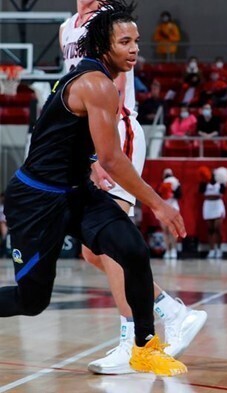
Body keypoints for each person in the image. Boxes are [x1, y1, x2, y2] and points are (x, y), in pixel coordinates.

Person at [1, 0, 186, 376]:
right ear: (103, 46)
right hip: (36, 199)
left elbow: (67, 137)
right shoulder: (98, 84)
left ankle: (144, 348)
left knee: (132, 249)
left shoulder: (91, 78)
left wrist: (86, 165)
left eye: (136, 41)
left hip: (74, 191)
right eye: (125, 42)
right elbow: (114, 160)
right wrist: (159, 205)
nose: (135, 49)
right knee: (31, 300)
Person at [59, 0, 206, 374]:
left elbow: (114, 78)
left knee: (112, 243)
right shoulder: (66, 27)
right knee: (94, 252)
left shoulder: (108, 18)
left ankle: (134, 341)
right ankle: (172, 312)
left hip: (113, 128)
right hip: (86, 133)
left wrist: (95, 151)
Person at [200, 171, 226, 259]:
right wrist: (203, 181)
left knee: (217, 228)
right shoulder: (205, 184)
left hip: (218, 205)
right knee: (210, 229)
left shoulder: (220, 184)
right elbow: (201, 191)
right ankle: (211, 249)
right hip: (208, 205)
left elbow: (223, 191)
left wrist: (223, 182)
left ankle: (218, 249)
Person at [158, 168, 182, 259]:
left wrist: (171, 193)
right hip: (164, 209)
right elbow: (158, 195)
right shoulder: (161, 184)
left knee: (173, 230)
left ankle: (174, 250)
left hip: (173, 208)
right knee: (165, 231)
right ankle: (167, 250)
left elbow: (180, 195)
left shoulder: (176, 184)